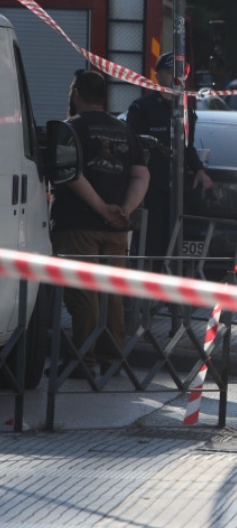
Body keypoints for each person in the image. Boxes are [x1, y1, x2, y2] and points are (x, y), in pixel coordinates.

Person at [51, 71, 150, 378]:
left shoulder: (70, 128)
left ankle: (83, 361)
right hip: (117, 229)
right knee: (112, 295)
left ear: (76, 94)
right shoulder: (124, 129)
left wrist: (102, 209)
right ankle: (112, 360)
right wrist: (124, 210)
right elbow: (142, 175)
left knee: (84, 293)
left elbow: (70, 174)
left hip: (77, 224)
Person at [126, 53, 212, 263]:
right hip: (149, 189)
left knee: (172, 245)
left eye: (179, 74)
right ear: (157, 76)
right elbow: (132, 148)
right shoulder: (142, 107)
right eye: (169, 73)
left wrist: (200, 170)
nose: (175, 78)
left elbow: (187, 147)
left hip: (176, 189)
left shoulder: (185, 110)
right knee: (149, 245)